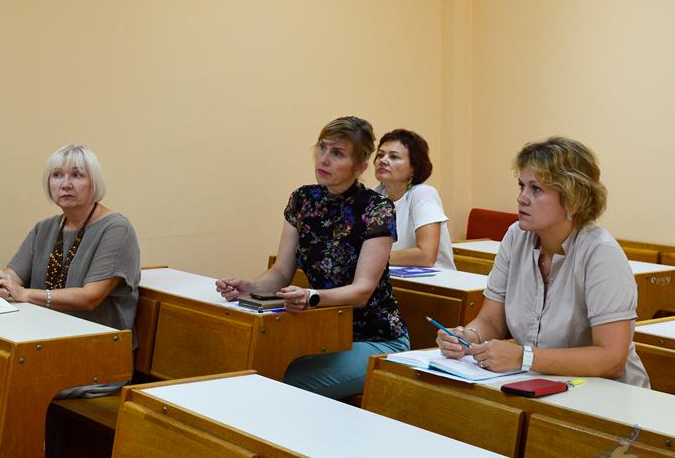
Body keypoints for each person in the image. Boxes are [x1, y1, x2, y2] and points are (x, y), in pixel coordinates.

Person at [216, 116, 409, 400]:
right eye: (322, 147)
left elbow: (362, 292)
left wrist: (311, 296)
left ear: (360, 167)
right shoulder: (303, 200)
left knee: (278, 385)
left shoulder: (376, 208)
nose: (324, 159)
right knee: (249, 366)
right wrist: (251, 288)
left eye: (338, 153)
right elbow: (281, 271)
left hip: (375, 339)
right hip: (323, 333)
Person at [437, 137, 649, 387]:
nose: (522, 198)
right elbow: (491, 321)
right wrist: (467, 337)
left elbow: (611, 359)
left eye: (536, 189)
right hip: (543, 384)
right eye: (521, 186)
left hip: (609, 395)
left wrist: (524, 358)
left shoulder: (601, 253)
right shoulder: (516, 236)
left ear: (573, 198)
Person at [0, 144, 140, 398]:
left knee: (5, 384)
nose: (65, 184)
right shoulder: (44, 229)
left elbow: (90, 298)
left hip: (94, 358)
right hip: (41, 345)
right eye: (57, 175)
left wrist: (25, 294)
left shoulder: (116, 229)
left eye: (76, 175)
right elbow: (13, 274)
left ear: (94, 182)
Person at [373, 128, 456, 270]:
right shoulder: (376, 194)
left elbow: (426, 255)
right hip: (393, 275)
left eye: (394, 157)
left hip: (433, 280)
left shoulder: (423, 194)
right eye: (380, 155)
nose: (383, 160)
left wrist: (372, 258)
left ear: (414, 168)